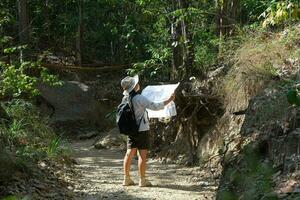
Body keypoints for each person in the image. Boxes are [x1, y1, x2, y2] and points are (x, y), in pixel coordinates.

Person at [120, 75, 175, 187]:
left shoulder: (125, 98)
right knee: (142, 155)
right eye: (136, 83)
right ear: (135, 86)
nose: (138, 84)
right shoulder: (139, 98)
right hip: (142, 130)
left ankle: (126, 179)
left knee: (129, 153)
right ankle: (142, 180)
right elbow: (154, 106)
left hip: (131, 130)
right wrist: (169, 100)